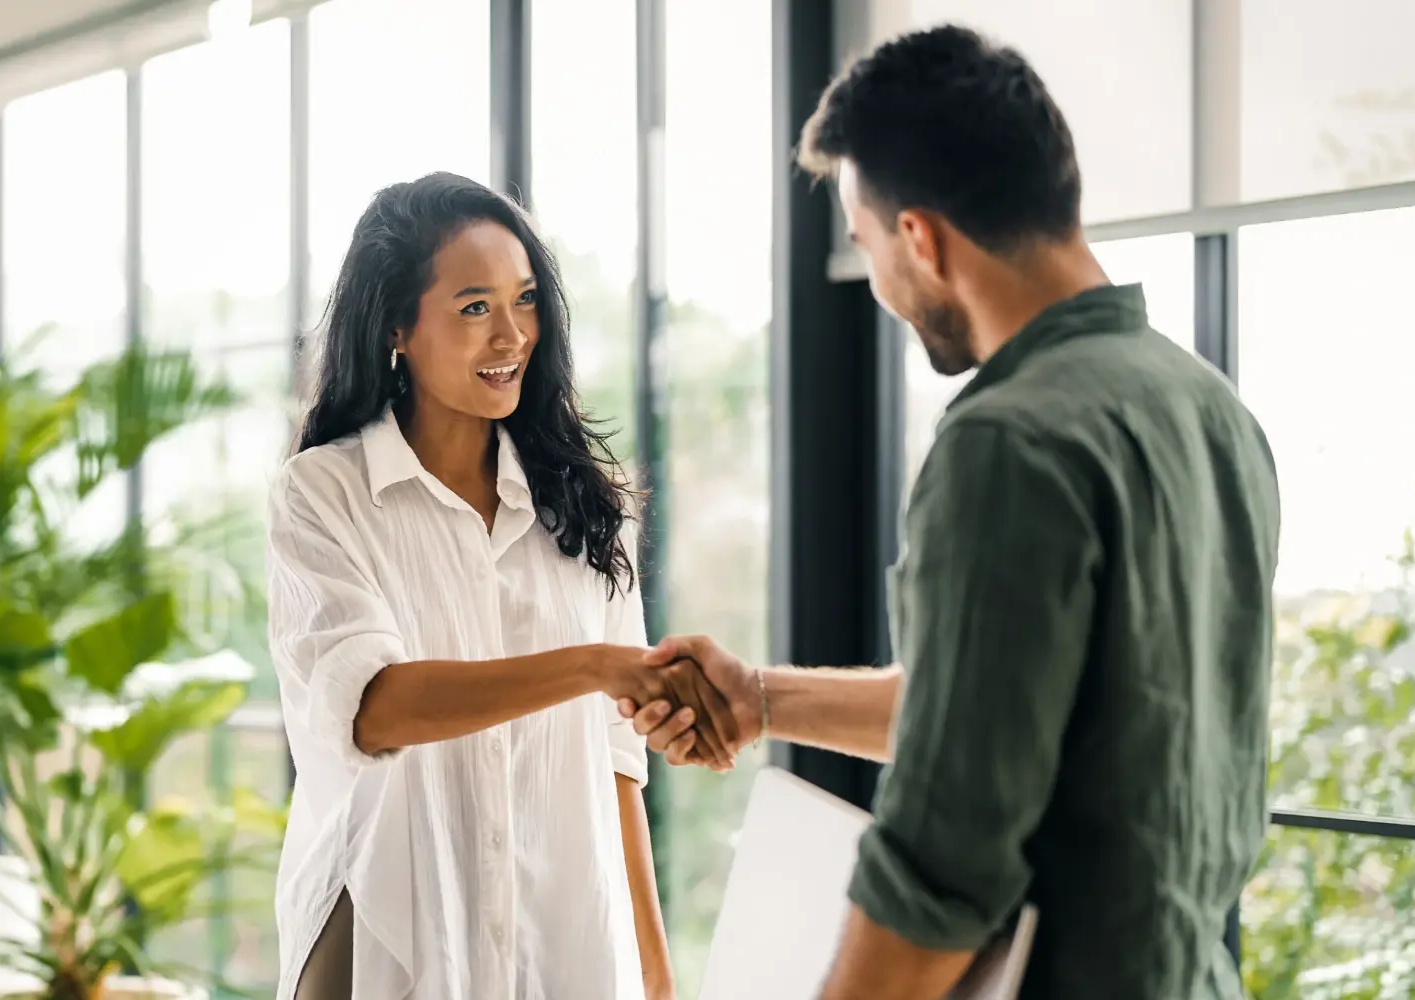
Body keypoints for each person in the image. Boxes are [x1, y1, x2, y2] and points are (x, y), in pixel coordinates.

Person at [621, 24, 1280, 1000]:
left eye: (866, 245)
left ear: (921, 239)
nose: (878, 283)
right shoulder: (1207, 408)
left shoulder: (1007, 441)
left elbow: (946, 859)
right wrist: (760, 697)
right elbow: (1004, 717)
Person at [266, 172, 737, 1000]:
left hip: (558, 939)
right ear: (399, 327)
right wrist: (593, 667)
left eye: (525, 302)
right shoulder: (322, 495)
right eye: (475, 307)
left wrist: (658, 977)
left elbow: (618, 761)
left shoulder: (588, 509)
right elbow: (374, 709)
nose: (512, 335)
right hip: (385, 937)